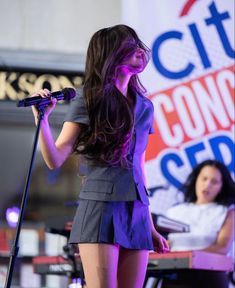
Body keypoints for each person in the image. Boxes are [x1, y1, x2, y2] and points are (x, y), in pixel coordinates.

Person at [31, 24, 169, 288]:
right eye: (131, 45)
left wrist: (149, 224)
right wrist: (43, 121)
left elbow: (139, 165)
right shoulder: (89, 98)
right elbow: (55, 158)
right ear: (111, 54)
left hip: (137, 210)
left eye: (138, 44)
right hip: (100, 205)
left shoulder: (145, 106)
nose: (140, 51)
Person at [162, 159, 235, 288]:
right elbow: (166, 244)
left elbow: (223, 247)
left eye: (214, 182)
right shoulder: (175, 211)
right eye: (204, 179)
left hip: (209, 275)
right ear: (196, 179)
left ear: (221, 186)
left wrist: (189, 256)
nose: (207, 185)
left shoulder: (227, 211)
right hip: (173, 274)